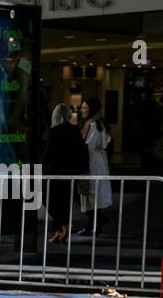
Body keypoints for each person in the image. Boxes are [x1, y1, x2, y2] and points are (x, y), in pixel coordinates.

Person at [41, 103, 88, 243]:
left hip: (54, 172)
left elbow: (47, 154)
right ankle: (60, 229)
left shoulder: (53, 132)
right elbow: (82, 151)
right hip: (70, 171)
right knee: (65, 201)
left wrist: (41, 168)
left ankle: (62, 226)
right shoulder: (74, 130)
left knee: (48, 198)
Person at [78, 97, 112, 237]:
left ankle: (96, 224)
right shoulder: (94, 125)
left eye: (85, 108)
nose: (82, 110)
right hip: (93, 163)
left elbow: (88, 146)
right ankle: (95, 224)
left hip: (93, 165)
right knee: (90, 196)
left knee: (91, 195)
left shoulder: (95, 126)